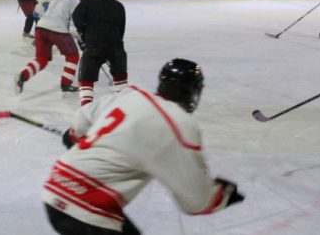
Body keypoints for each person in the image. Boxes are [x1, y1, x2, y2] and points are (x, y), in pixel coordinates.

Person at [43, 58, 245, 234]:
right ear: (193, 92)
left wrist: (75, 137)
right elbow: (195, 200)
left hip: (55, 187)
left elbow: (82, 119)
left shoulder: (130, 95)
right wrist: (222, 194)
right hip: (87, 207)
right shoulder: (180, 123)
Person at [15, 0, 88, 95]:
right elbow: (72, 29)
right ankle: (66, 84)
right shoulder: (76, 2)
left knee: (41, 59)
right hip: (58, 29)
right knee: (73, 56)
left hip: (40, 27)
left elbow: (39, 9)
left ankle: (23, 76)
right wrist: (82, 40)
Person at [72, 0, 128, 106]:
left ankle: (86, 111)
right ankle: (125, 111)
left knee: (85, 80)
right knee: (121, 82)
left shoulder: (88, 1)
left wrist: (84, 32)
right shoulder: (119, 6)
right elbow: (121, 30)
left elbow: (76, 17)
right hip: (116, 48)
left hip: (94, 46)